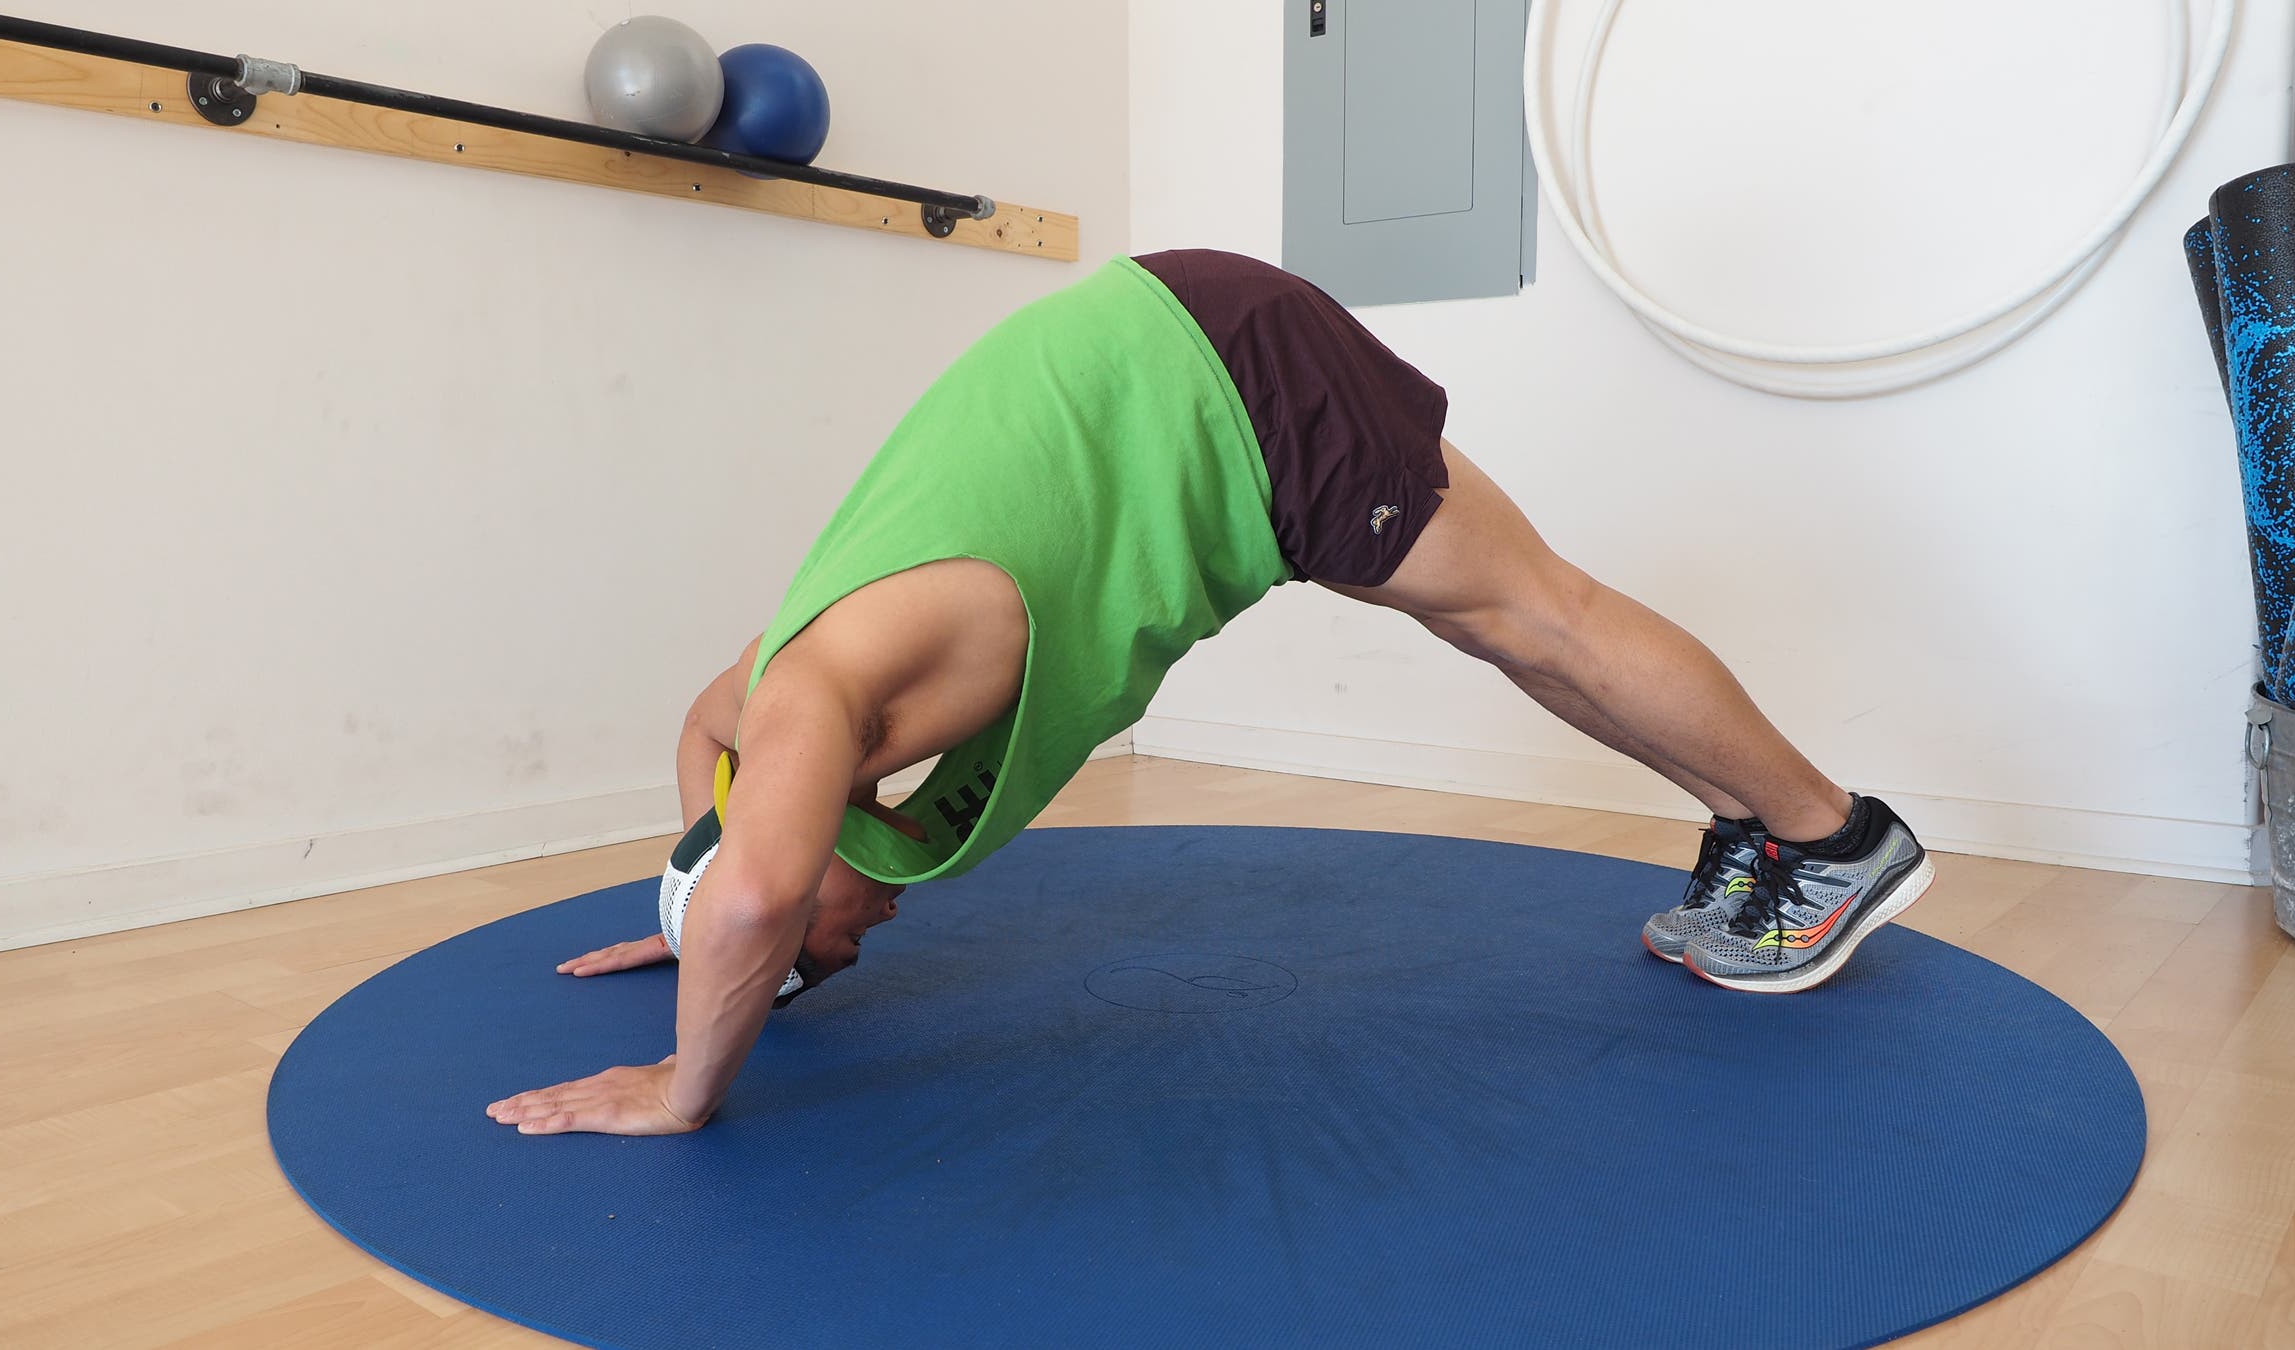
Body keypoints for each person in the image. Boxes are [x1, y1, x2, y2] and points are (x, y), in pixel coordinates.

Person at [486, 250, 1935, 1137]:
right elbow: (711, 774)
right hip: (1175, 345)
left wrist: (683, 1079)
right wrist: (696, 896)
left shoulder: (809, 707)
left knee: (1535, 614)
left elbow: (752, 895)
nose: (860, 945)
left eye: (829, 946)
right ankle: (1769, 834)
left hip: (1216, 379)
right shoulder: (772, 696)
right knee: (1513, 625)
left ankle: (1832, 836)